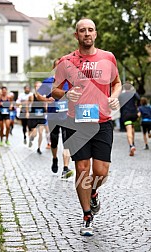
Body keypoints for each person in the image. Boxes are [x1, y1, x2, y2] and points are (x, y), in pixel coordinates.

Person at [51, 18, 121, 236]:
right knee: (82, 168)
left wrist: (114, 97)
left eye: (91, 30)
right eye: (82, 30)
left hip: (102, 121)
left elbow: (116, 82)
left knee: (101, 171)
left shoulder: (108, 57)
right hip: (76, 122)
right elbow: (54, 90)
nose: (87, 34)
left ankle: (92, 194)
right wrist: (65, 93)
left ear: (96, 34)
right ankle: (87, 215)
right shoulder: (66, 61)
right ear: (76, 35)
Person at [38, 58, 74, 179]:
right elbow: (38, 94)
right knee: (54, 141)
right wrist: (46, 99)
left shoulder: (69, 81)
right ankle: (54, 159)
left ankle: (65, 168)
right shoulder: (48, 81)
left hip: (66, 115)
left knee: (67, 141)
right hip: (53, 116)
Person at [26, 81, 54, 153]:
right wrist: (27, 112)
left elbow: (46, 105)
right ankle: (31, 139)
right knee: (34, 134)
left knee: (41, 132)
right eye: (37, 86)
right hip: (34, 116)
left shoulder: (44, 96)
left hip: (41, 116)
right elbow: (27, 104)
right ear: (35, 87)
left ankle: (38, 148)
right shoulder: (31, 96)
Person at [119, 82, 140, 156]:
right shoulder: (133, 93)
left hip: (126, 114)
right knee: (132, 128)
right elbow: (139, 98)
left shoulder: (121, 95)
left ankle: (131, 145)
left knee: (129, 130)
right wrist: (138, 110)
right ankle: (133, 143)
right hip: (134, 114)